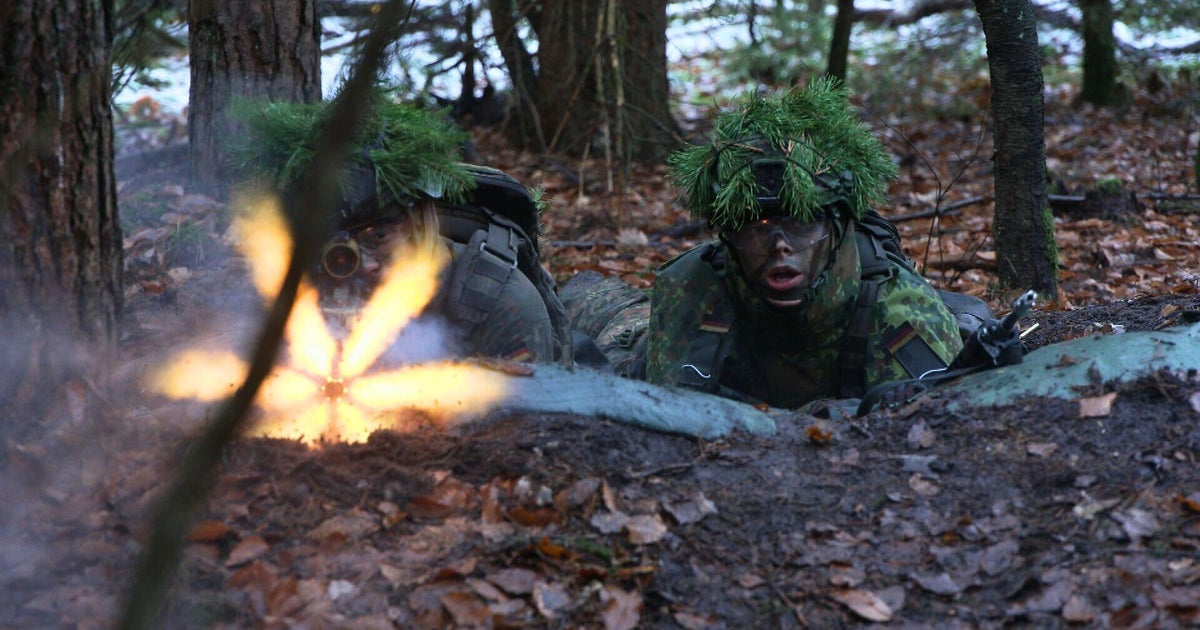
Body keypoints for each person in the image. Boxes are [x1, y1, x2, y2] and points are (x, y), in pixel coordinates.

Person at [565, 78, 967, 411]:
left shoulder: (898, 308)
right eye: (756, 228)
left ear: (840, 227)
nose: (779, 246)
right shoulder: (693, 284)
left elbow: (928, 423)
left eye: (801, 223)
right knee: (594, 325)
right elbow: (667, 408)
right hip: (637, 340)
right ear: (729, 239)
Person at [229, 95, 572, 366]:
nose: (363, 266)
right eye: (333, 245)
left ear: (419, 218)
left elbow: (537, 428)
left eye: (377, 236)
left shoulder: (500, 302)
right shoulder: (288, 292)